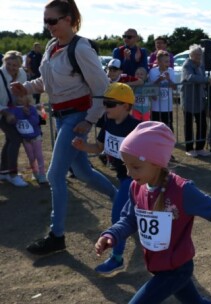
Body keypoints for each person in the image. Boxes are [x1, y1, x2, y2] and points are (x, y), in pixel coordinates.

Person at [11, 0, 118, 255]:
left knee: (54, 175)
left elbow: (103, 89)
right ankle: (123, 200)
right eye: (45, 20)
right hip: (62, 117)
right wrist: (25, 88)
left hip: (76, 118)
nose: (47, 26)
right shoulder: (52, 46)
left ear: (69, 19)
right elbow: (47, 82)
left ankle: (57, 236)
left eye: (52, 20)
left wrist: (89, 120)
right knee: (82, 172)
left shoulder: (80, 48)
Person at [94, 121, 211, 303]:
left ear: (156, 162)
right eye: (126, 166)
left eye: (136, 167)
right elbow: (130, 219)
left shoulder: (182, 190)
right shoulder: (136, 187)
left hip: (177, 269)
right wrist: (112, 234)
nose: (129, 173)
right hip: (158, 265)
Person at [72, 83, 140, 275]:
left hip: (134, 178)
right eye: (105, 103)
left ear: (126, 106)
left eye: (111, 104)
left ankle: (117, 258)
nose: (106, 107)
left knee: (117, 214)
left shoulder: (136, 127)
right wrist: (82, 147)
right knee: (137, 211)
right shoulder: (108, 121)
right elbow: (99, 147)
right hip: (123, 176)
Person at [0, 51, 29, 187]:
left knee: (10, 139)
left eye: (15, 65)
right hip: (2, 111)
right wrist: (6, 113)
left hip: (13, 111)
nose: (11, 67)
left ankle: (3, 171)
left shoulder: (22, 74)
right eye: (8, 64)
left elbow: (23, 92)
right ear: (4, 62)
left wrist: (24, 104)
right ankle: (12, 174)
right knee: (16, 138)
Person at [181, 45, 211, 157]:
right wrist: (206, 80)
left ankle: (200, 148)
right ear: (191, 55)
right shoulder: (187, 64)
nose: (199, 56)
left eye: (200, 54)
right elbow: (190, 77)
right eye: (196, 54)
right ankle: (189, 148)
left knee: (202, 124)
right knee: (188, 124)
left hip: (200, 98)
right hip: (189, 99)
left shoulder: (201, 65)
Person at [9, 95, 47, 184]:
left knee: (39, 156)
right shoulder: (15, 109)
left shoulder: (32, 109)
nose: (19, 98)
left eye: (21, 97)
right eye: (17, 97)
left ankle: (42, 174)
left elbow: (36, 122)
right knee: (31, 157)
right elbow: (13, 123)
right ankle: (35, 173)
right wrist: (13, 119)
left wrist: (28, 114)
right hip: (25, 139)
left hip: (36, 137)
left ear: (27, 99)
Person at [148, 50, 175, 131]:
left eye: (168, 61)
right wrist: (159, 79)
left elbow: (174, 87)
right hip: (156, 107)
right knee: (155, 128)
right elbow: (151, 87)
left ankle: (169, 143)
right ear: (159, 62)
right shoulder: (153, 71)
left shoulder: (171, 71)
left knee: (168, 128)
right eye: (166, 61)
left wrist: (168, 79)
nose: (168, 63)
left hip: (167, 107)